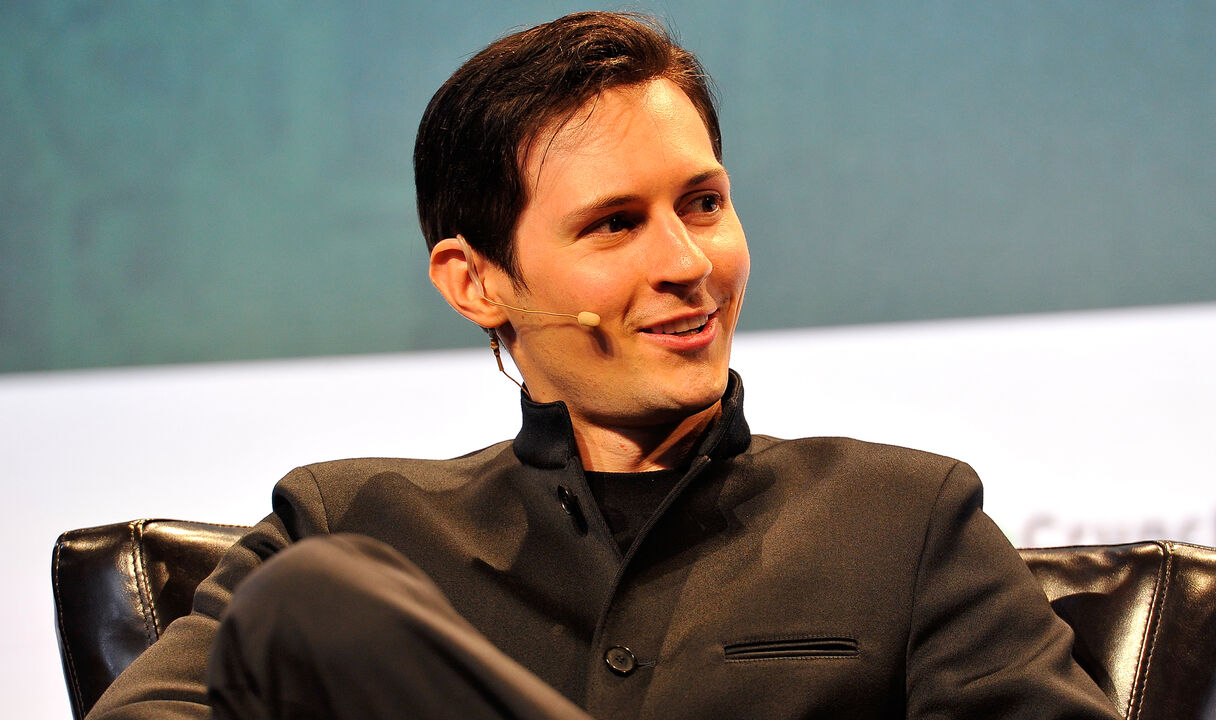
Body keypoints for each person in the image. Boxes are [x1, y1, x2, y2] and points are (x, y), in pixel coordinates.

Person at [87, 11, 1120, 720]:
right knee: (311, 607)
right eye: (615, 224)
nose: (686, 264)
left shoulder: (903, 521)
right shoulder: (355, 523)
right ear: (474, 282)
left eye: (702, 204)